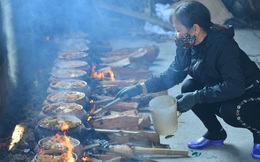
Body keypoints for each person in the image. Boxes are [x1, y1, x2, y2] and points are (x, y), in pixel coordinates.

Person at [115, 1, 260, 159]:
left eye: (178, 30)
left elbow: (235, 86)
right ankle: (215, 133)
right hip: (226, 89)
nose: (175, 35)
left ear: (195, 29)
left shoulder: (223, 45)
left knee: (231, 111)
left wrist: (197, 96)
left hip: (249, 92)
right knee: (189, 87)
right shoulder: (187, 44)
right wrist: (140, 88)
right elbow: (174, 73)